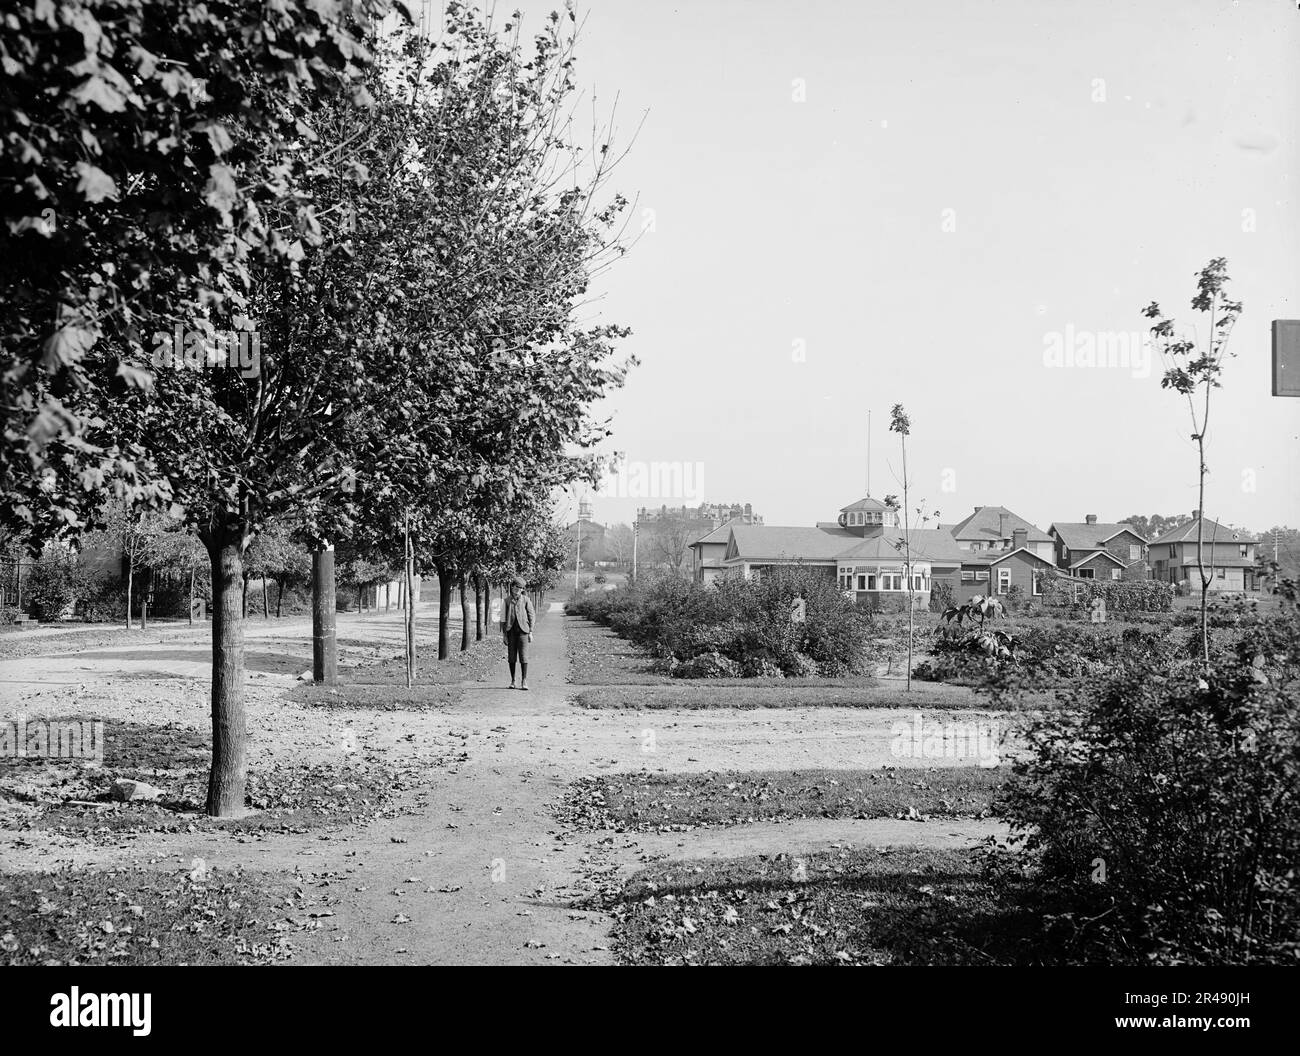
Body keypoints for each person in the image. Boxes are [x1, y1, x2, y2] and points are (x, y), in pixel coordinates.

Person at [500, 575, 536, 689]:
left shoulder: (526, 600)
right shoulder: (506, 601)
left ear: (522, 590)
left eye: (519, 588)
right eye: (515, 587)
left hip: (523, 632)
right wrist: (504, 635)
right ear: (512, 588)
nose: (517, 590)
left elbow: (531, 615)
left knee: (523, 656)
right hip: (511, 633)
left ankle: (524, 681)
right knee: (511, 657)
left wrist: (530, 631)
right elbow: (503, 619)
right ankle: (513, 680)